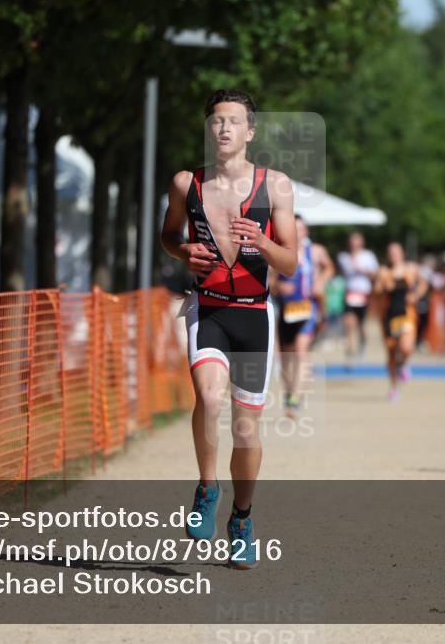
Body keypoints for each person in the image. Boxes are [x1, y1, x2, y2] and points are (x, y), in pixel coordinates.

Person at [160, 89, 297, 568]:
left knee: (246, 429)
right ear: (208, 129)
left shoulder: (276, 186)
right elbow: (169, 235)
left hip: (255, 314)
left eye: (233, 121)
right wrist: (182, 253)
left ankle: (242, 517)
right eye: (216, 121)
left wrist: (262, 239)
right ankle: (206, 488)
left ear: (249, 132)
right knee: (209, 398)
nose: (223, 129)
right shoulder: (186, 183)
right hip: (209, 307)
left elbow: (292, 265)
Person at [274, 215, 331, 416]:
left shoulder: (315, 252)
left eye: (301, 229)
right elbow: (269, 280)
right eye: (294, 228)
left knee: (300, 351)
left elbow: (329, 267)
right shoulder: (278, 251)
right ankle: (290, 393)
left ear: (306, 232)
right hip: (286, 311)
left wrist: (320, 281)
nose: (298, 232)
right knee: (285, 359)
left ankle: (296, 398)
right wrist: (279, 286)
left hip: (308, 309)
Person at [374, 242, 427, 401]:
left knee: (405, 347)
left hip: (406, 314)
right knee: (391, 352)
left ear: (402, 252)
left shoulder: (411, 268)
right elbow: (376, 291)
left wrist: (415, 295)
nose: (393, 255)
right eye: (390, 252)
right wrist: (384, 286)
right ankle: (394, 387)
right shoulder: (383, 271)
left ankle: (403, 364)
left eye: (396, 252)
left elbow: (424, 284)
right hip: (388, 316)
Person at [337, 232, 379, 365]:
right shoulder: (343, 257)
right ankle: (350, 351)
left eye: (357, 241)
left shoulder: (368, 256)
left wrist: (364, 271)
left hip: (364, 295)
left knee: (362, 325)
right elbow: (341, 273)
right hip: (350, 293)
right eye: (352, 241)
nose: (354, 244)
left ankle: (362, 346)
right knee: (348, 324)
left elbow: (375, 274)